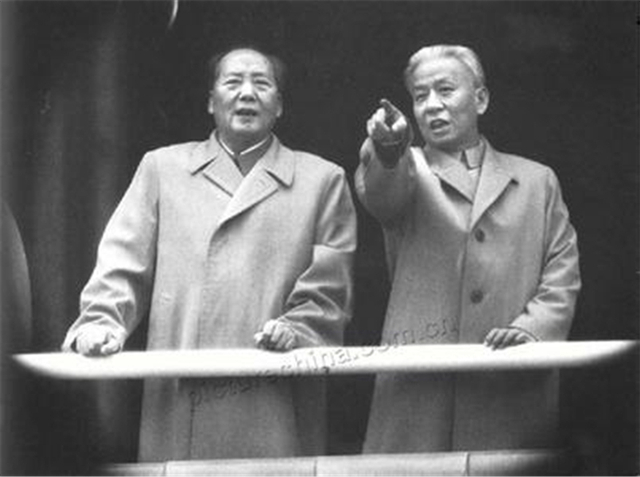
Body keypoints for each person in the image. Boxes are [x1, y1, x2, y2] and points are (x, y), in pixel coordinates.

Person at [62, 46, 357, 461]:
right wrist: (101, 323)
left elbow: (330, 289)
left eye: (262, 83)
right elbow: (121, 265)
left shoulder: (322, 180)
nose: (247, 93)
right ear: (210, 101)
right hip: (183, 387)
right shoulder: (162, 169)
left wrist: (297, 329)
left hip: (272, 390)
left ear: (280, 106)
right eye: (233, 82)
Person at [355, 45, 580, 452]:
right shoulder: (405, 167)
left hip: (509, 379)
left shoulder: (537, 181)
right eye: (420, 96)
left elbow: (561, 274)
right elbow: (382, 197)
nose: (431, 105)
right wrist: (388, 151)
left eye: (445, 90)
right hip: (420, 385)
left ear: (481, 99)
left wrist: (532, 329)